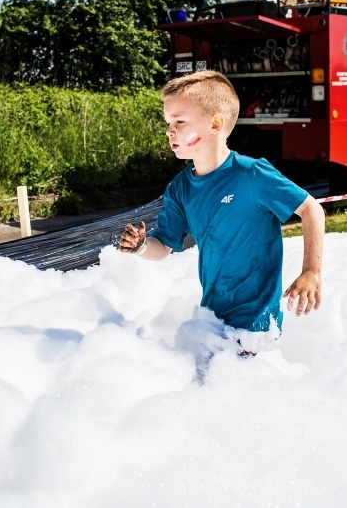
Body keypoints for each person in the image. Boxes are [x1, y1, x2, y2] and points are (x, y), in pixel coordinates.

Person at [118, 70, 325, 346]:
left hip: (255, 325)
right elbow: (163, 246)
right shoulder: (180, 188)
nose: (170, 130)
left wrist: (311, 271)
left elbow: (311, 209)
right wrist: (141, 246)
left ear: (215, 123)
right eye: (168, 122)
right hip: (211, 320)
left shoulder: (251, 174)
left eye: (179, 121)